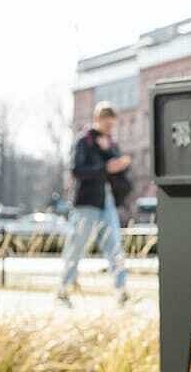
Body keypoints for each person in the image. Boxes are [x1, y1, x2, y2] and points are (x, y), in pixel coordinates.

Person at [58, 101, 132, 308]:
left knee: (114, 245)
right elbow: (76, 170)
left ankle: (121, 290)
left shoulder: (111, 144)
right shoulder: (84, 141)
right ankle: (63, 289)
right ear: (97, 120)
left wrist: (117, 161)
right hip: (87, 201)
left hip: (107, 201)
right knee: (77, 245)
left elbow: (117, 174)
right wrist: (105, 165)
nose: (110, 129)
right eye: (107, 125)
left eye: (112, 126)